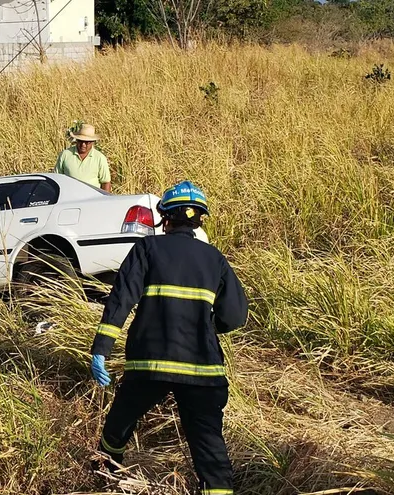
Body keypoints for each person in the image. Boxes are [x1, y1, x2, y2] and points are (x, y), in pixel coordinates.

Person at [89, 181, 249, 495]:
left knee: (119, 425)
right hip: (203, 368)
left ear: (165, 218)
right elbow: (235, 316)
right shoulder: (215, 258)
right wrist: (205, 327)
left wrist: (101, 349)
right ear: (199, 219)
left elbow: (120, 301)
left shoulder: (147, 249)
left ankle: (104, 479)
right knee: (210, 447)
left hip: (150, 365)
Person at [54, 123, 112, 192]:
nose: (83, 144)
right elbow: (57, 178)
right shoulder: (65, 155)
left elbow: (106, 183)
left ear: (92, 142)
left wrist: (104, 198)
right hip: (69, 197)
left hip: (92, 198)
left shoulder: (100, 158)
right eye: (80, 141)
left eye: (87, 142)